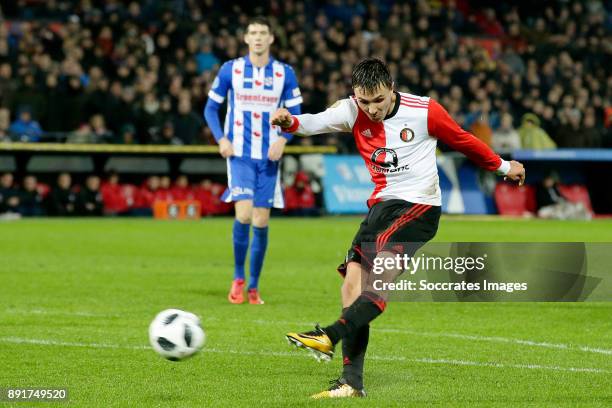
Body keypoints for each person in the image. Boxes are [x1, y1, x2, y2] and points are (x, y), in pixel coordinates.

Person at [271, 58, 525, 398]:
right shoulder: (351, 111)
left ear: (391, 88)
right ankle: (351, 383)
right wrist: (289, 122)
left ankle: (329, 334)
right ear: (355, 95)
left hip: (419, 206)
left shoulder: (424, 111)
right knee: (351, 286)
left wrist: (504, 166)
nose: (372, 109)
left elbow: (463, 141)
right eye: (365, 102)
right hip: (381, 208)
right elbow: (312, 122)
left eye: (379, 100)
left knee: (378, 279)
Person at [203, 17, 303, 305]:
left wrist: (284, 140)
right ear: (246, 39)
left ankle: (255, 286)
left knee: (261, 220)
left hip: (268, 157)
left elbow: (296, 116)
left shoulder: (285, 73)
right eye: (253, 33)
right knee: (244, 215)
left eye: (263, 33)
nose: (258, 38)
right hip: (240, 156)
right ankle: (238, 278)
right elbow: (211, 109)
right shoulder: (230, 70)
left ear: (271, 39)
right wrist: (221, 138)